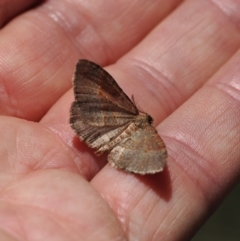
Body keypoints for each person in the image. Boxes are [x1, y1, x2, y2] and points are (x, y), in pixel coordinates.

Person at [0, 0, 239, 240]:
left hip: (101, 129)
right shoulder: (150, 134)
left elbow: (156, 161)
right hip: (119, 139)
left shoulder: (138, 123)